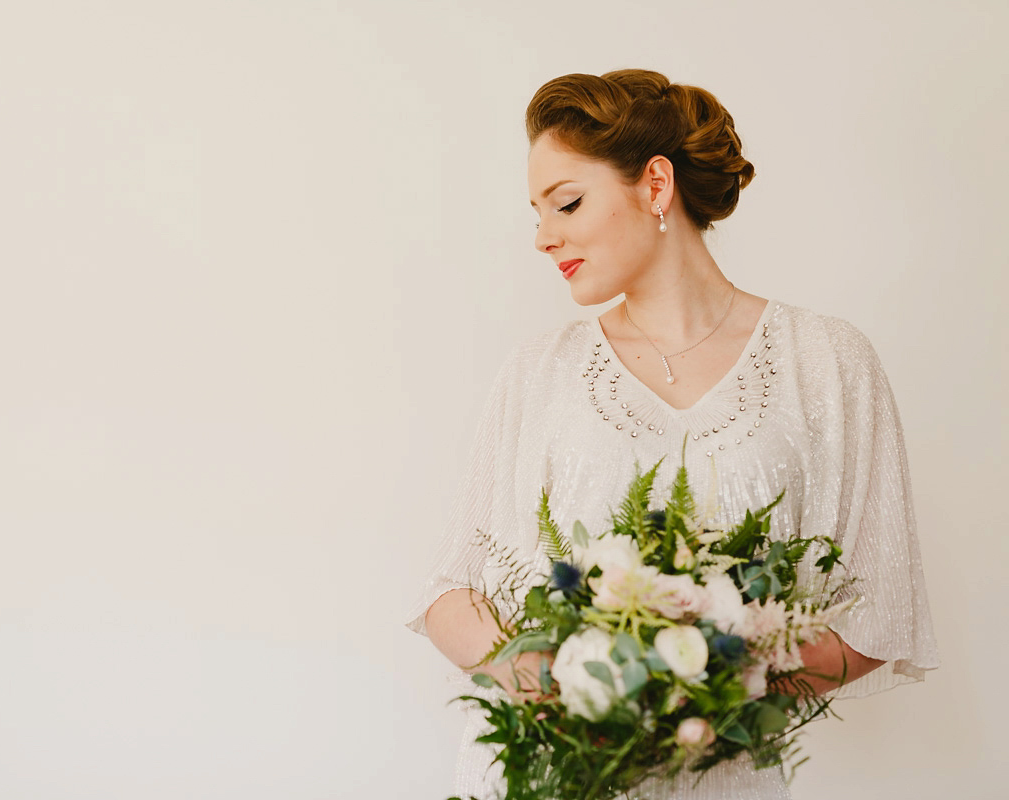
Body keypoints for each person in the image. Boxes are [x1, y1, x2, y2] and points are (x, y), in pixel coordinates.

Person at [402, 69, 940, 800]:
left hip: (723, 776)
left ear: (656, 185)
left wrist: (710, 694)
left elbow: (878, 616)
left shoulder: (828, 361)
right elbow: (450, 593)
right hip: (548, 772)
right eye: (535, 212)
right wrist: (557, 688)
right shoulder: (541, 370)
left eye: (565, 203)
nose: (542, 237)